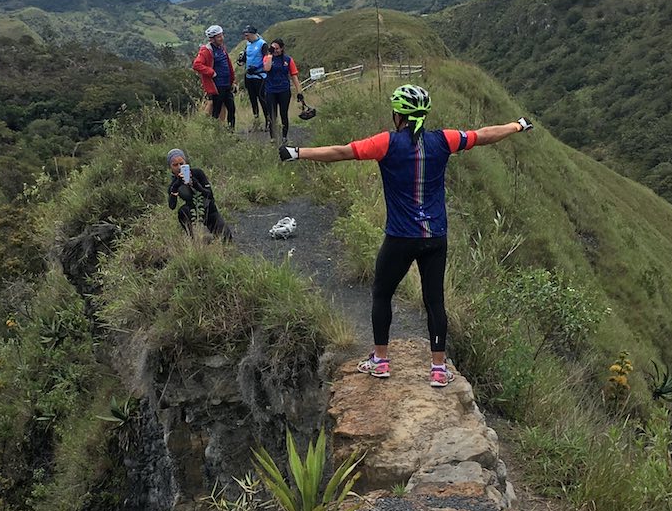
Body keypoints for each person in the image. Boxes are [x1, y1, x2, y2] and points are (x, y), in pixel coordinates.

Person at [277, 85, 532, 387]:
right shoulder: (444, 140)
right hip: (435, 236)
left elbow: (342, 152)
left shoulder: (386, 143)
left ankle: (381, 361)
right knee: (434, 300)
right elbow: (483, 135)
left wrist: (297, 153)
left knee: (382, 294)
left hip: (401, 237)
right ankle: (438, 369)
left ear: (398, 115)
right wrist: (516, 126)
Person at [166, 148, 229, 238]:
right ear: (170, 167)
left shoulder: (197, 173)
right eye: (175, 165)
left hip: (209, 209)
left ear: (186, 162)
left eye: (181, 163)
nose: (179, 167)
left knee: (226, 238)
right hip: (192, 211)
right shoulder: (174, 184)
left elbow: (209, 195)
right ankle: (192, 237)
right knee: (182, 211)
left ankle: (212, 234)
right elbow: (172, 206)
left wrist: (195, 184)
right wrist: (176, 186)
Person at [190, 25, 236, 125]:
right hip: (217, 86)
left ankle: (230, 131)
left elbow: (228, 64)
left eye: (222, 35)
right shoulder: (206, 50)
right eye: (219, 37)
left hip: (227, 84)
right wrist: (211, 72)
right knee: (216, 110)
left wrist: (232, 79)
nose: (222, 38)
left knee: (231, 109)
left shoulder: (222, 48)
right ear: (212, 39)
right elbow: (196, 65)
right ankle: (213, 129)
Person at [260, 37, 302, 143]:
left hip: (284, 90)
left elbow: (294, 76)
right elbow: (267, 68)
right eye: (273, 48)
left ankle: (284, 136)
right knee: (272, 115)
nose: (275, 51)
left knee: (284, 114)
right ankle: (273, 137)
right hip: (271, 90)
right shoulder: (267, 58)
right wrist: (270, 55)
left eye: (277, 49)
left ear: (282, 48)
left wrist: (299, 92)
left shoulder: (288, 60)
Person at [239, 25, 267, 130]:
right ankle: (256, 121)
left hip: (259, 76)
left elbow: (266, 59)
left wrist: (257, 67)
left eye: (247, 35)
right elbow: (247, 57)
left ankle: (268, 121)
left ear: (253, 34)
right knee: (252, 100)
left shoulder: (262, 44)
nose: (246, 37)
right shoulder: (248, 44)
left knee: (262, 99)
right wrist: (242, 60)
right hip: (249, 76)